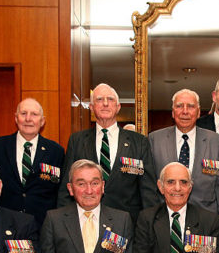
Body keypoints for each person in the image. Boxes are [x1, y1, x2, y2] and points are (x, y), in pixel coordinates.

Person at [58, 83, 158, 223]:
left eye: (110, 99)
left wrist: (148, 227)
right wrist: (64, 223)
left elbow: (148, 191)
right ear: (91, 108)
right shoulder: (77, 140)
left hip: (127, 224)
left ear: (118, 107)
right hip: (85, 222)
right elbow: (66, 187)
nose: (105, 104)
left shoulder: (139, 142)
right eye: (99, 100)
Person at [0, 98, 65, 227]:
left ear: (42, 121)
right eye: (23, 114)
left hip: (42, 224)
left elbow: (59, 191)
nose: (28, 119)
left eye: (34, 114)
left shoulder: (55, 151)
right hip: (6, 223)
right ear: (16, 118)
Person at [150, 89, 219, 214]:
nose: (185, 111)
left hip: (205, 216)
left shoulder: (216, 142)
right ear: (173, 112)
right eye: (179, 106)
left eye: (191, 106)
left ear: (198, 112)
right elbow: (150, 186)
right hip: (165, 216)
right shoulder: (155, 140)